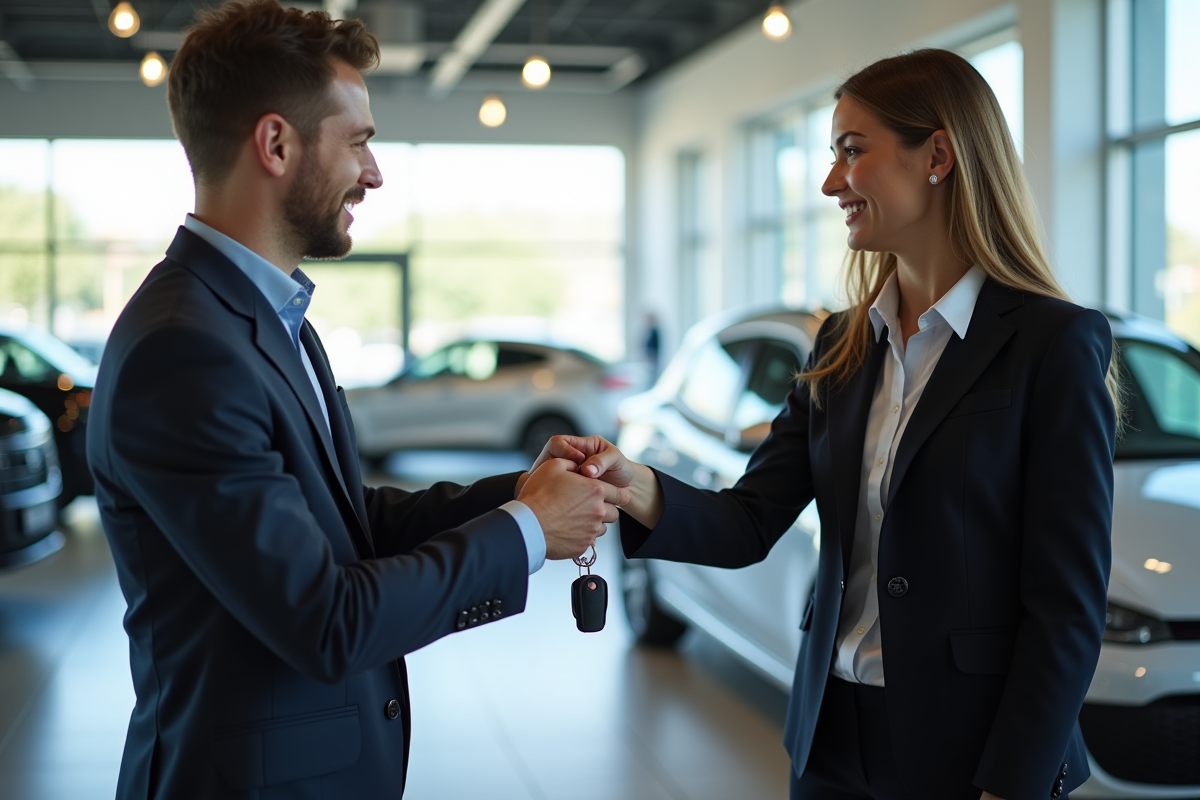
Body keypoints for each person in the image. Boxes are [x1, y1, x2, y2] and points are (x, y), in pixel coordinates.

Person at [540, 49, 1118, 800]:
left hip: (974, 754)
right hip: (829, 741)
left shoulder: (1051, 343)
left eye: (853, 151)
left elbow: (1066, 604)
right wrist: (632, 482)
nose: (830, 182)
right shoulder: (842, 344)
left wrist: (1011, 784)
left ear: (937, 154)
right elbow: (749, 521)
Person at [87, 3, 627, 798]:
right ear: (276, 144)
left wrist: (519, 491)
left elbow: (348, 525)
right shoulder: (183, 349)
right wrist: (526, 531)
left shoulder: (271, 320)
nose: (374, 175)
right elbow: (324, 619)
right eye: (360, 142)